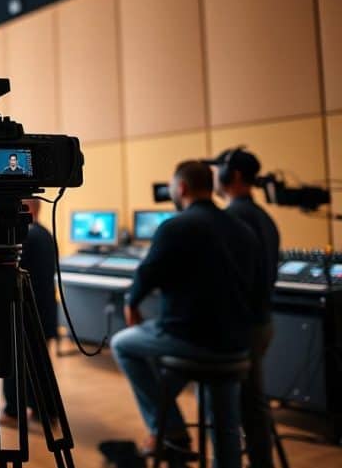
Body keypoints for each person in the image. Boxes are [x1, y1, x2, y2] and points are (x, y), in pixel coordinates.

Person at [111, 161, 259, 468]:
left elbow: (147, 273)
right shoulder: (241, 228)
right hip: (236, 344)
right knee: (225, 424)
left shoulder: (175, 226)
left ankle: (170, 430)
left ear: (181, 188)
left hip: (188, 338)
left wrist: (131, 303)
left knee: (122, 344)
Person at [213, 148, 280, 468]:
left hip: (243, 326)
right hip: (261, 322)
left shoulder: (233, 218)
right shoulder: (262, 216)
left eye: (217, 169)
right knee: (253, 403)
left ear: (233, 175)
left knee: (231, 405)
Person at [0, 198, 57, 428]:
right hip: (44, 311)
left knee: (11, 360)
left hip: (21, 311)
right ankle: (47, 411)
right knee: (40, 364)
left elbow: (6, 277)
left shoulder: (23, 238)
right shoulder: (45, 234)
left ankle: (12, 411)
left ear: (25, 208)